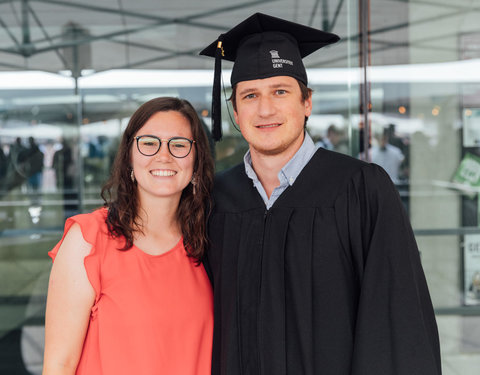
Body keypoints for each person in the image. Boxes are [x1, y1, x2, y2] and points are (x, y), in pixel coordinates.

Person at [200, 13, 441, 374]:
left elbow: (397, 316)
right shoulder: (214, 199)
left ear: (307, 102)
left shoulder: (362, 189)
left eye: (280, 91)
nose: (265, 109)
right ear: (234, 110)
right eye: (250, 95)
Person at [43, 97, 215, 375]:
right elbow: (58, 366)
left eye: (179, 145)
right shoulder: (88, 241)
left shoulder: (207, 242)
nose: (164, 155)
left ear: (196, 162)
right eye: (149, 143)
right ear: (129, 157)